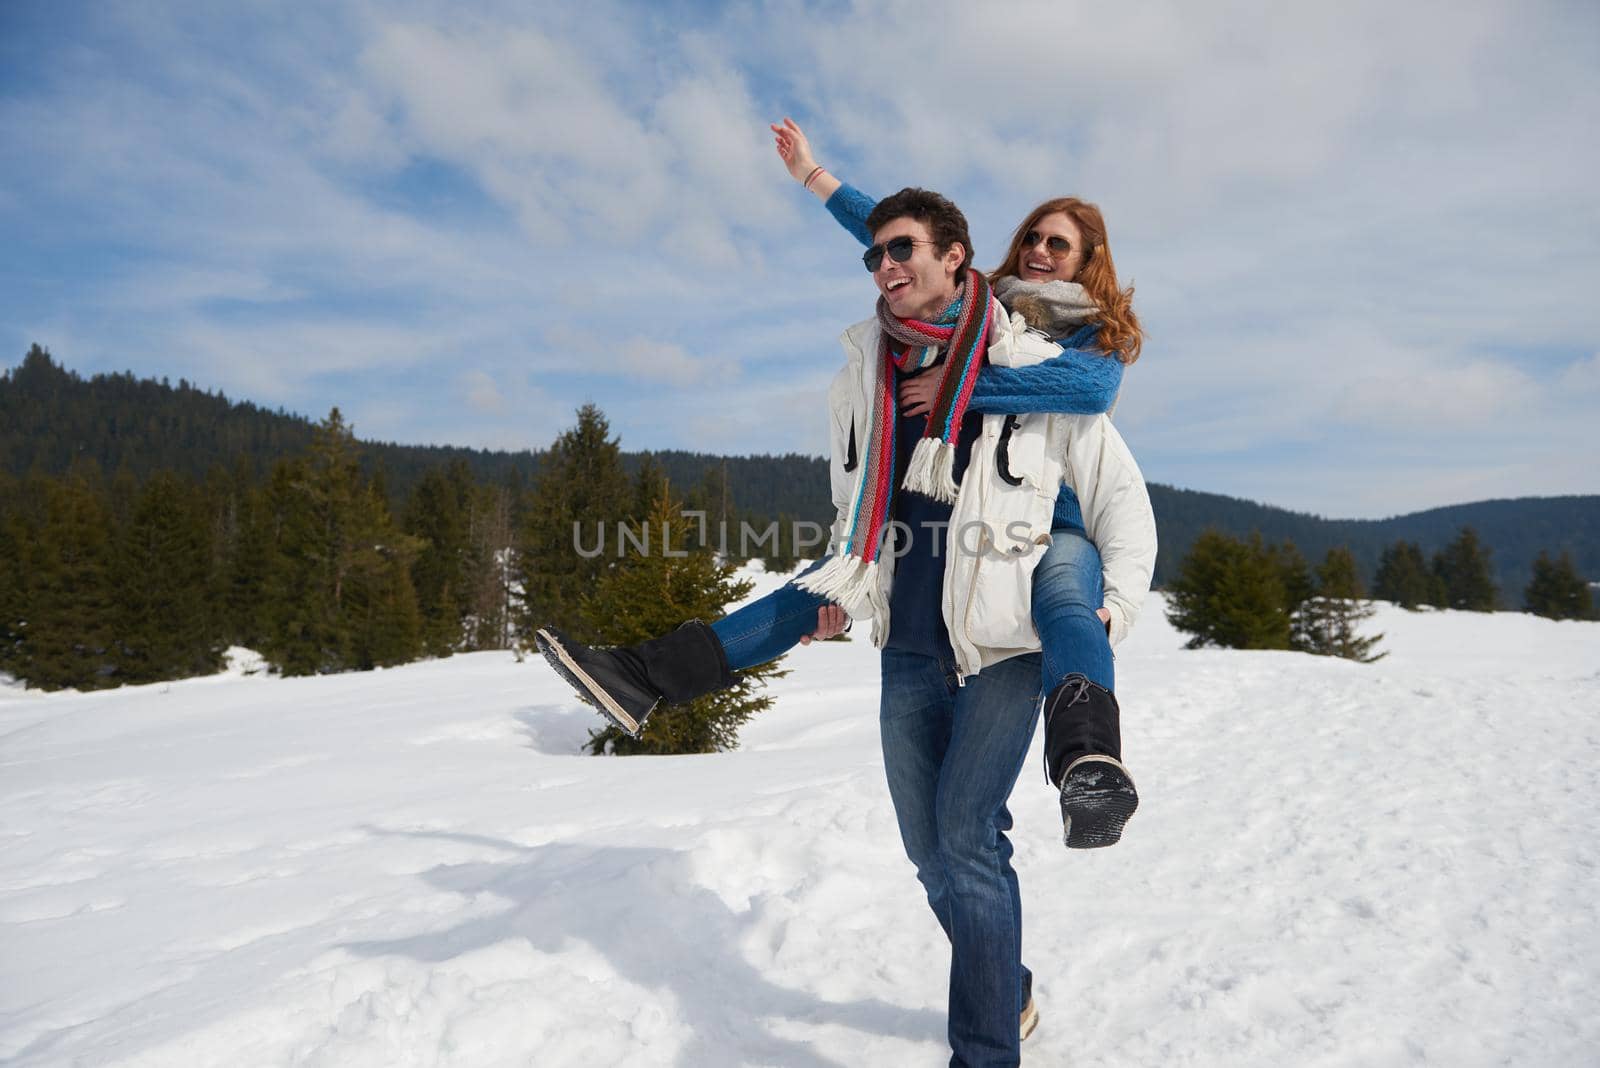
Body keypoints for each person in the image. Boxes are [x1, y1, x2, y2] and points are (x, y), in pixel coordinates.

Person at [540, 188, 1155, 1065]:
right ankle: (1002, 981)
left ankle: (985, 1048)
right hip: (907, 633)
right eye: (873, 256)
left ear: (956, 258)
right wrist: (845, 585)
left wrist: (1115, 601)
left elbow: (1118, 501)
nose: (885, 267)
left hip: (1008, 637)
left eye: (902, 249)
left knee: (966, 840)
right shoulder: (865, 374)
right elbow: (851, 504)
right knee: (930, 854)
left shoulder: (1032, 363)